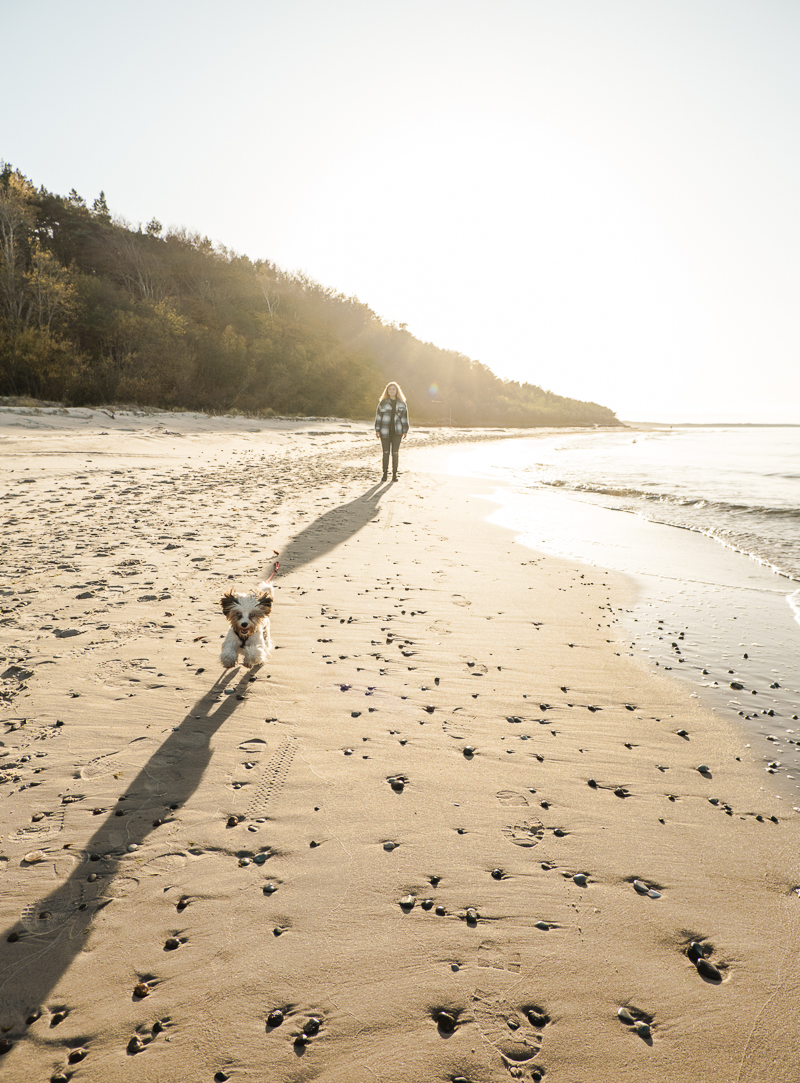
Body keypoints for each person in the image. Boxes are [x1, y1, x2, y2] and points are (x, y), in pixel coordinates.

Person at [374, 381, 409, 481]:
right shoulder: (383, 403)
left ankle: (394, 475)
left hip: (397, 432)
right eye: (390, 389)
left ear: (397, 391)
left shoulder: (402, 403)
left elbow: (404, 418)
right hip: (384, 431)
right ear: (387, 391)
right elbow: (378, 417)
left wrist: (405, 430)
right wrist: (377, 430)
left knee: (395, 453)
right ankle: (384, 474)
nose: (392, 391)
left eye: (393, 389)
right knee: (385, 452)